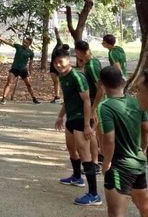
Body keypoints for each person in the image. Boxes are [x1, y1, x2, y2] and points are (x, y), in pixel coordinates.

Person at [53, 44, 102, 206]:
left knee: (84, 153)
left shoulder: (76, 77)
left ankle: (94, 194)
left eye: (61, 61)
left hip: (82, 119)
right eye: (55, 63)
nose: (58, 65)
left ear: (68, 60)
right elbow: (67, 99)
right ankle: (76, 177)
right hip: (71, 118)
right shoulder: (62, 76)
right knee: (70, 147)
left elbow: (87, 100)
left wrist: (87, 125)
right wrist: (61, 116)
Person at [97, 66, 148, 216]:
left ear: (101, 84)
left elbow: (109, 139)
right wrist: (143, 150)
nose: (138, 94)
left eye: (140, 90)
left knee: (116, 213)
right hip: (138, 162)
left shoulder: (105, 107)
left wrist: (106, 162)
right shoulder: (135, 102)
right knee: (144, 207)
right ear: (123, 81)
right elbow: (145, 129)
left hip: (119, 166)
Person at [75, 39, 104, 164]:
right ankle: (99, 155)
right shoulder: (91, 62)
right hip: (92, 101)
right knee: (96, 130)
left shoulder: (92, 66)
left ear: (79, 52)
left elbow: (101, 89)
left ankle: (95, 162)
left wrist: (93, 109)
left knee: (90, 131)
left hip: (93, 101)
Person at [0, 33, 40, 105]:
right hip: (14, 68)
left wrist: (30, 72)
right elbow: (8, 42)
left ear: (30, 44)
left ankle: (34, 98)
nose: (24, 43)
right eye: (24, 42)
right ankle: (3, 98)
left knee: (28, 84)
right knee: (9, 83)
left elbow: (30, 64)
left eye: (26, 43)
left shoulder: (31, 53)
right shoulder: (18, 47)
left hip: (23, 70)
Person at [49, 26, 63, 103]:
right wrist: (56, 31)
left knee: (60, 81)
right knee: (55, 81)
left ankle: (59, 96)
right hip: (52, 65)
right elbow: (58, 37)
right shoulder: (59, 44)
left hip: (59, 66)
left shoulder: (64, 53)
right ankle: (57, 96)